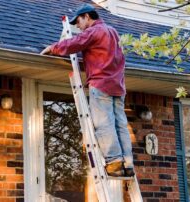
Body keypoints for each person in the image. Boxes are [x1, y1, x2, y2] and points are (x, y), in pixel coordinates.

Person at [41, 3, 134, 177]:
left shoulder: (94, 31)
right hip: (118, 86)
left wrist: (53, 48)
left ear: (88, 17)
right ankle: (127, 163)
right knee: (120, 124)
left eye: (78, 21)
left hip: (101, 84)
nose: (77, 26)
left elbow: (75, 43)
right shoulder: (113, 32)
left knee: (104, 123)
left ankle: (114, 162)